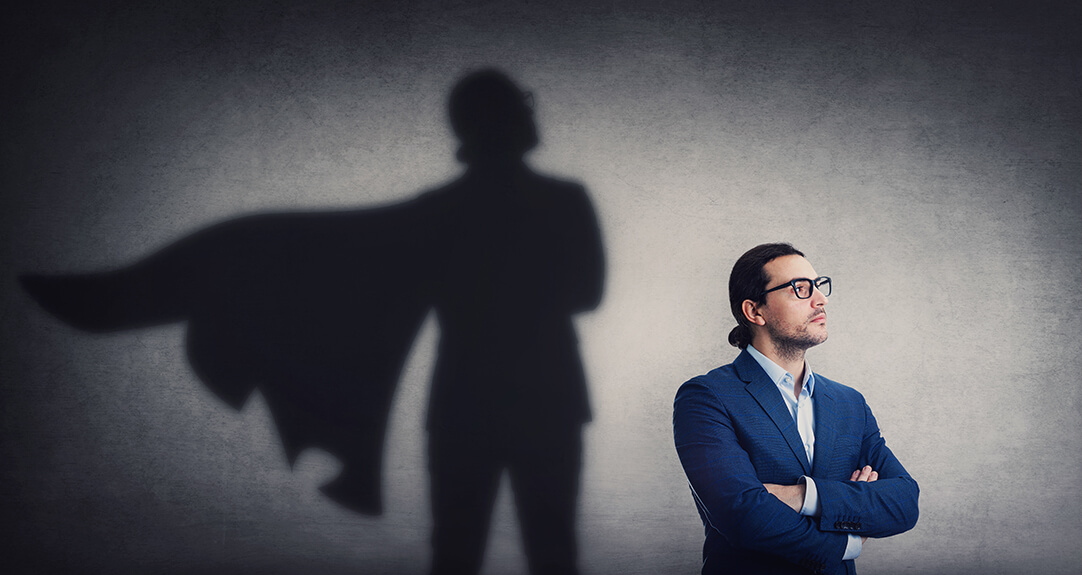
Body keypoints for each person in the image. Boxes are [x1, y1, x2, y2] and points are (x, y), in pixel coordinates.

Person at [418, 69, 603, 575]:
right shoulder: (563, 200)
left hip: (464, 401)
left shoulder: (439, 210)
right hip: (546, 398)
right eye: (521, 105)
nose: (531, 111)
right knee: (552, 551)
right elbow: (586, 292)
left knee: (455, 553)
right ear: (499, 120)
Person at [673, 243, 918, 574]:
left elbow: (903, 502)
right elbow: (742, 515)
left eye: (819, 286)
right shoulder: (706, 397)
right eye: (800, 289)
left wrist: (804, 496)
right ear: (754, 311)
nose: (821, 300)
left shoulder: (849, 403)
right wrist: (849, 541)